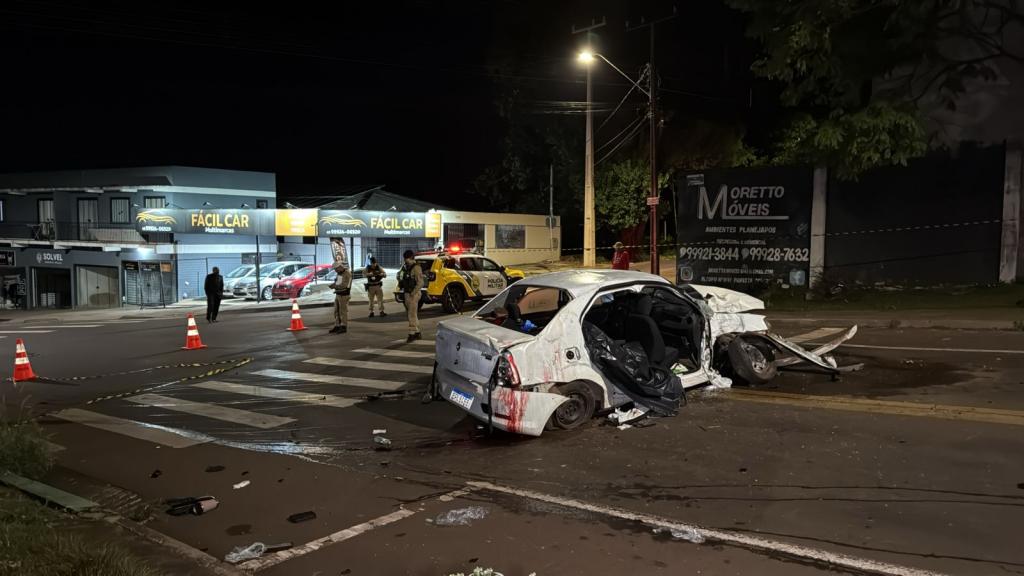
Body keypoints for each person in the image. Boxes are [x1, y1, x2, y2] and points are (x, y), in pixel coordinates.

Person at [399, 249, 424, 342]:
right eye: (405, 259)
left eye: (406, 258)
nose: (405, 260)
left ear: (411, 258)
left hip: (413, 294)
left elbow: (420, 283)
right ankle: (417, 332)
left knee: (411, 314)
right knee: (413, 314)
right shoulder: (405, 267)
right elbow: (400, 277)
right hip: (407, 293)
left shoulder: (416, 268)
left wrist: (413, 293)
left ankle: (411, 333)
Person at [330, 260, 352, 334]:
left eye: (336, 269)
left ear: (340, 267)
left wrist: (334, 286)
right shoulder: (340, 273)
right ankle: (337, 325)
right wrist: (334, 285)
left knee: (343, 311)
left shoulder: (347, 274)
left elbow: (345, 285)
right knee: (336, 311)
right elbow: (338, 283)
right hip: (338, 294)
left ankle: (343, 326)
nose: (335, 270)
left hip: (344, 295)